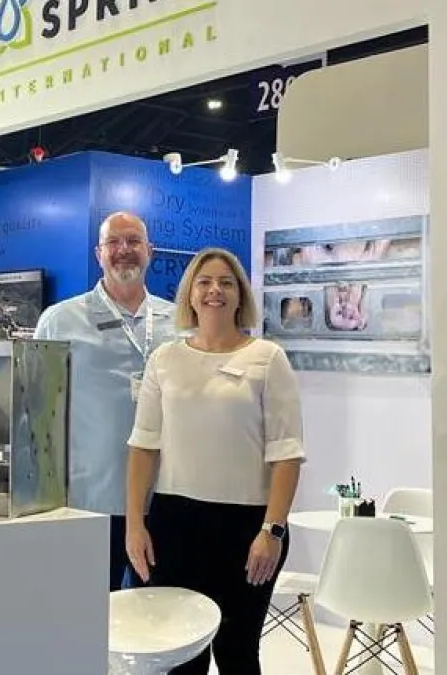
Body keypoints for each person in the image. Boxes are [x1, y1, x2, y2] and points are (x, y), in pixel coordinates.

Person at [125, 247, 305, 675]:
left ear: (240, 295)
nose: (214, 290)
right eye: (204, 282)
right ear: (190, 294)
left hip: (247, 528)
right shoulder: (164, 359)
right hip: (174, 524)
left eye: (226, 282)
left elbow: (287, 454)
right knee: (181, 658)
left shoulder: (268, 358)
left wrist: (272, 531)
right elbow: (143, 446)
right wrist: (135, 525)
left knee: (237, 653)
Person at [34, 211, 179, 591]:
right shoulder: (59, 321)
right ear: (98, 253)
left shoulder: (180, 323)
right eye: (113, 242)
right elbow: (37, 413)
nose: (123, 250)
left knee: (158, 615)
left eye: (133, 241)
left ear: (150, 251)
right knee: (87, 612)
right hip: (89, 501)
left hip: (163, 499)